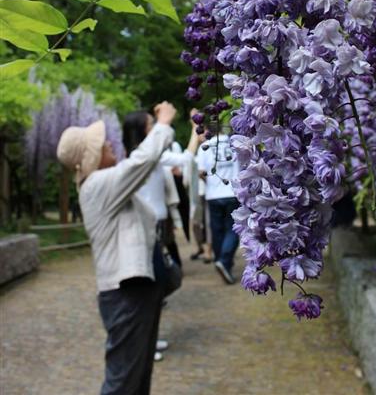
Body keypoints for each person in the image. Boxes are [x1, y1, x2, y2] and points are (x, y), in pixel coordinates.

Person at [56, 101, 176, 395]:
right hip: (125, 296)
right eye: (100, 143)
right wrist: (162, 124)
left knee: (137, 379)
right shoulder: (97, 185)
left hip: (137, 292)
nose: (109, 142)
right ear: (90, 157)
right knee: (122, 383)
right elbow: (140, 164)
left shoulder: (104, 186)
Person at [122, 109, 200, 360]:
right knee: (151, 287)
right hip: (146, 231)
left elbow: (185, 160)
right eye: (151, 124)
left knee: (158, 286)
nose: (155, 127)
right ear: (143, 131)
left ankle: (150, 339)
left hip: (157, 228)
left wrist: (194, 134)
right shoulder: (139, 158)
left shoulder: (151, 158)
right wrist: (167, 122)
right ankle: (143, 343)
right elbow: (179, 157)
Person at [196, 127, 240, 285]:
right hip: (233, 192)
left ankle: (222, 260)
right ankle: (225, 260)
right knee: (233, 229)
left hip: (213, 195)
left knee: (217, 230)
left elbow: (200, 172)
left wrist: (210, 183)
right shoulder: (234, 142)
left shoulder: (205, 146)